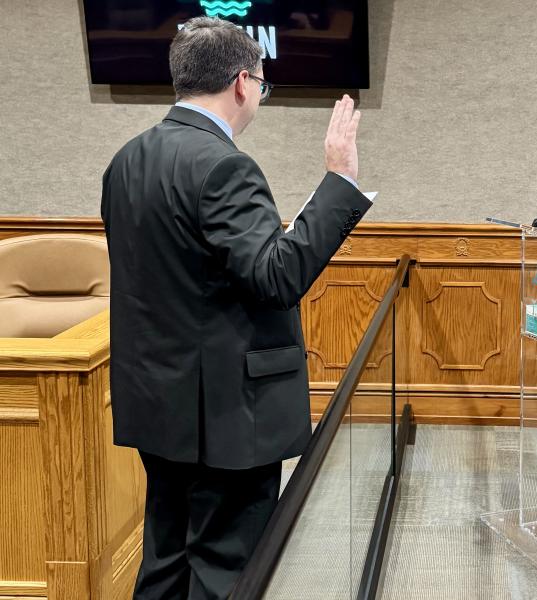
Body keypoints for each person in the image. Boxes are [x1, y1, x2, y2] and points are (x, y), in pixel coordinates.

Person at [100, 16, 372, 599]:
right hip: (226, 418)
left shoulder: (126, 160)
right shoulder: (224, 165)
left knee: (167, 561)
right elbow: (276, 278)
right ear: (243, 83)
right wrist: (339, 183)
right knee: (225, 572)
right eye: (264, 85)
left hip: (159, 406)